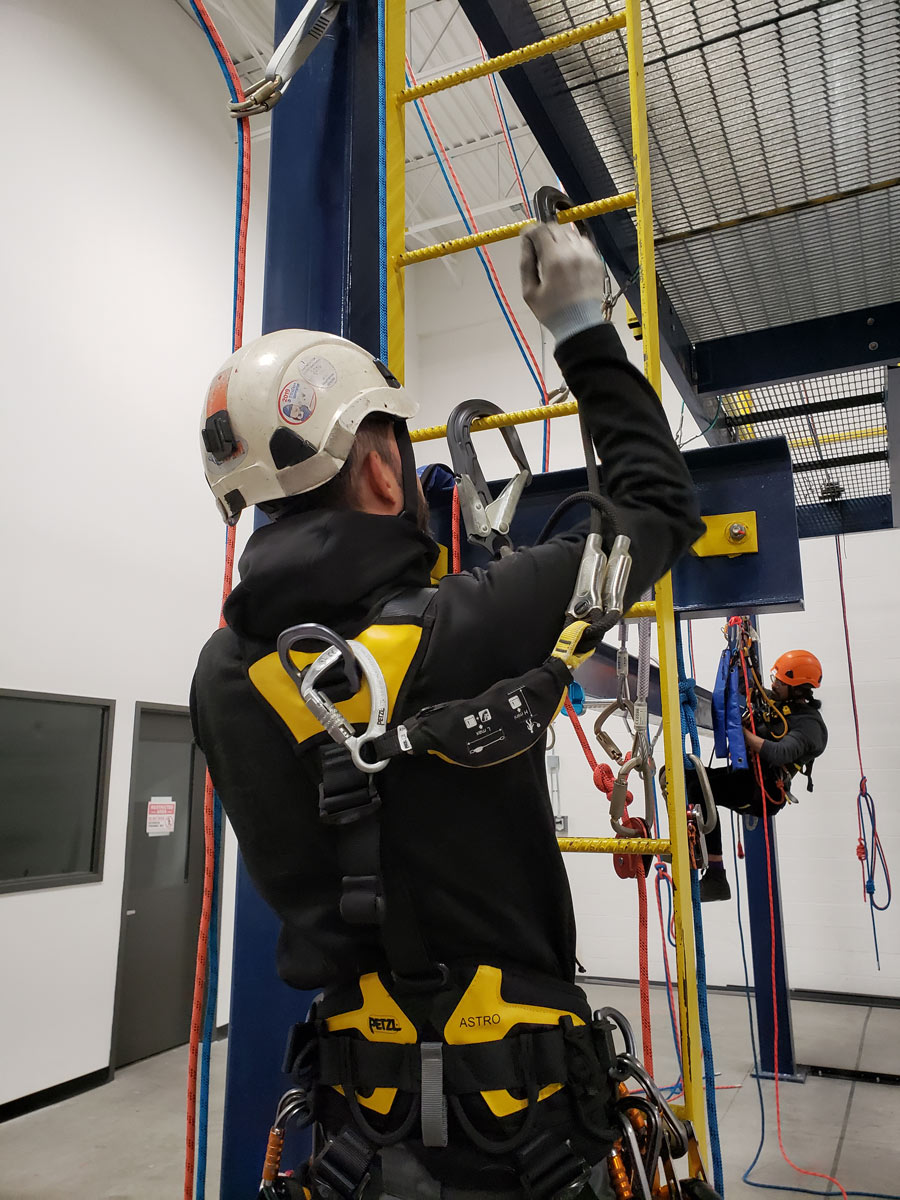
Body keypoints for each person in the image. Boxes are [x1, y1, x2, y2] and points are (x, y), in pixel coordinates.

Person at [191, 221, 704, 1199]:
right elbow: (659, 506)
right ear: (382, 468)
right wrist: (581, 326)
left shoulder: (220, 678)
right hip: (532, 1132)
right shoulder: (476, 624)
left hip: (357, 1138)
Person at [693, 649, 827, 902]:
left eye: (781, 682)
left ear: (797, 689)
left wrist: (740, 732)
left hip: (761, 792)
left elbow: (778, 752)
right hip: (747, 778)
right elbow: (751, 692)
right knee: (686, 777)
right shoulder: (780, 705)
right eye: (775, 679)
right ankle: (701, 857)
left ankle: (715, 874)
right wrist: (739, 657)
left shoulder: (810, 726)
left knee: (697, 786)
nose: (774, 684)